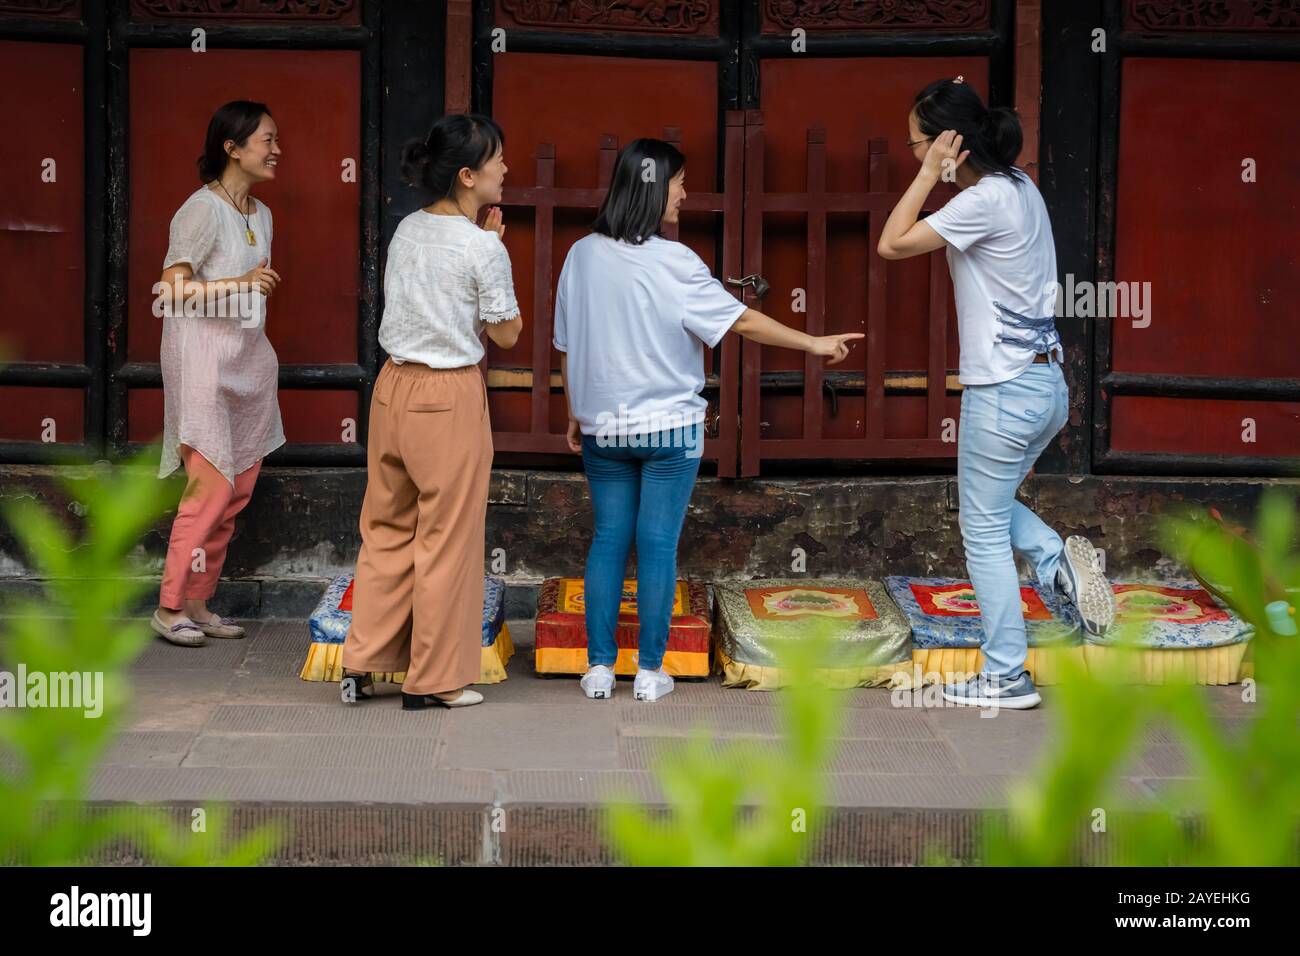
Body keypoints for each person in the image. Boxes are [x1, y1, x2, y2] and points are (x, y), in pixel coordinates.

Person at [555, 137, 863, 702]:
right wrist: (814, 343)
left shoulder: (581, 254)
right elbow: (741, 322)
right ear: (653, 186)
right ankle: (650, 671)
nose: (685, 194)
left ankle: (598, 669)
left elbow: (568, 342)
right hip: (670, 429)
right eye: (678, 183)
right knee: (656, 546)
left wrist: (576, 409)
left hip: (603, 427)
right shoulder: (676, 261)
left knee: (607, 541)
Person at [877, 76, 1115, 710]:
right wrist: (939, 164)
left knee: (980, 528)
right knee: (987, 505)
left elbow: (892, 243)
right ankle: (1054, 560)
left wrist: (929, 175)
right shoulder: (1021, 187)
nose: (914, 155)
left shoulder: (981, 201)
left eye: (917, 144)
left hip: (1004, 390)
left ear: (949, 143)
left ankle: (1006, 674)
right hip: (1045, 386)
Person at [340, 113, 522, 710]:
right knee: (448, 539)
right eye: (495, 159)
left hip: (392, 388)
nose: (505, 168)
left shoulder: (408, 229)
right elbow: (506, 336)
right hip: (448, 396)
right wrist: (492, 250)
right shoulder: (482, 247)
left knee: (386, 528)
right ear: (468, 176)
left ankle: (363, 662)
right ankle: (435, 680)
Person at [151, 100, 285, 647]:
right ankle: (167, 608)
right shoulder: (200, 210)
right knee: (208, 490)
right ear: (231, 147)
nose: (277, 150)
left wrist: (248, 289)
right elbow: (169, 289)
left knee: (236, 492)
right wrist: (240, 285)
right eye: (267, 140)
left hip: (247, 359)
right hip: (202, 356)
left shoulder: (261, 212)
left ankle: (199, 604)